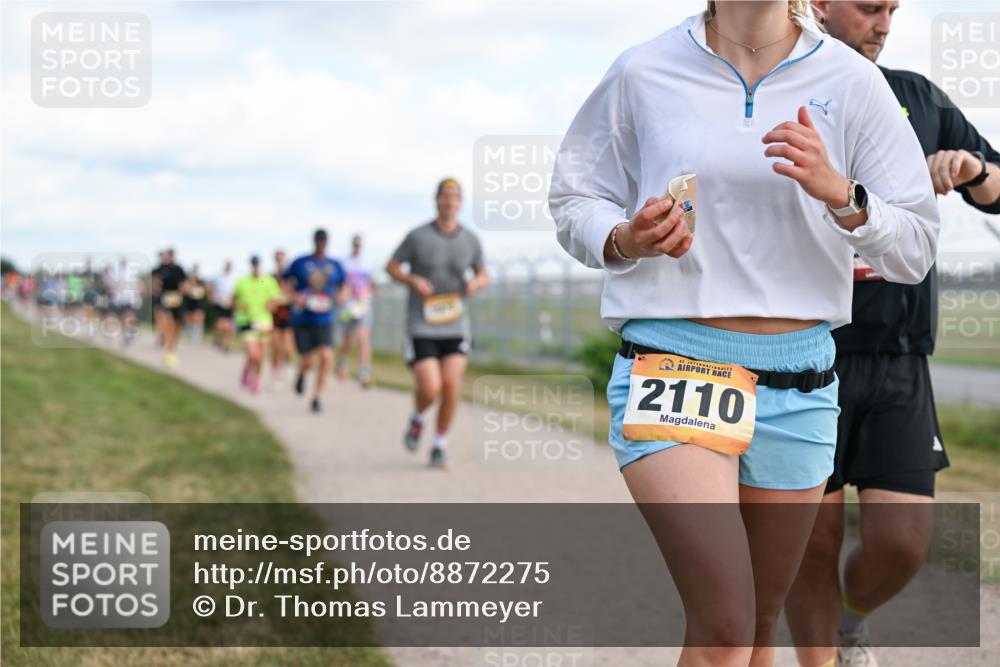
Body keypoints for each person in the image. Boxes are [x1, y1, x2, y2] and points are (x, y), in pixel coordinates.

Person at [548, 1, 938, 664]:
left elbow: (916, 245)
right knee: (725, 624)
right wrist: (624, 237)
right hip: (676, 364)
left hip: (802, 378)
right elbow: (573, 198)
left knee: (758, 627)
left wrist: (844, 195)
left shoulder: (851, 81)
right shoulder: (643, 70)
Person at [784, 3, 1000, 666]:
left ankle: (851, 624)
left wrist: (973, 172)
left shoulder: (918, 97)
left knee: (903, 542)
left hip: (900, 357)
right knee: (812, 542)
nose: (885, 22)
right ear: (820, 5)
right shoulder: (782, 93)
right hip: (803, 351)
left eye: (892, 9)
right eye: (870, 7)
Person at [387, 178, 488, 469]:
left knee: (452, 385)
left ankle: (439, 444)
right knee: (430, 388)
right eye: (445, 195)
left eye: (455, 196)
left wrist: (475, 283)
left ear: (461, 202)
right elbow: (391, 266)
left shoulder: (470, 239)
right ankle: (418, 419)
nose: (450, 201)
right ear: (437, 200)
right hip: (422, 323)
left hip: (455, 323)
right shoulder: (418, 236)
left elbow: (483, 273)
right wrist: (411, 279)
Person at [284, 229, 348, 413]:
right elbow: (285, 282)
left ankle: (317, 398)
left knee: (327, 357)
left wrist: (341, 296)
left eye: (324, 242)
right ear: (314, 242)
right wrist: (294, 296)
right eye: (319, 241)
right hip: (303, 319)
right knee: (307, 362)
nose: (321, 244)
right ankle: (302, 375)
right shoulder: (300, 262)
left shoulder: (335, 265)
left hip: (324, 319)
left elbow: (344, 285)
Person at [232, 255, 281, 395]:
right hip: (247, 322)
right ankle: (249, 370)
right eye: (253, 264)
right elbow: (233, 300)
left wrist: (270, 305)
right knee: (253, 354)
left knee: (261, 356)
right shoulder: (242, 281)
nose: (256, 266)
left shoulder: (269, 281)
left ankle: (256, 379)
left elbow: (276, 300)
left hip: (264, 322)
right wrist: (240, 307)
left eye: (257, 264)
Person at [336, 233, 377, 389]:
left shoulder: (367, 263)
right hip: (347, 306)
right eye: (355, 244)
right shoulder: (344, 263)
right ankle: (342, 364)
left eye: (359, 244)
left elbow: (370, 282)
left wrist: (374, 289)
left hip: (363, 304)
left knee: (362, 338)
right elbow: (340, 284)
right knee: (347, 340)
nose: (357, 247)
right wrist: (341, 294)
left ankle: (364, 373)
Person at [152, 249, 187, 367]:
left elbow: (184, 283)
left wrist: (184, 289)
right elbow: (154, 282)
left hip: (177, 300)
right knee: (168, 326)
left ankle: (172, 349)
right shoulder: (160, 269)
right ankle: (168, 353)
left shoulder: (179, 269)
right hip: (164, 300)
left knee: (176, 328)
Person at [270, 250, 295, 389]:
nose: (280, 261)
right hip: (275, 315)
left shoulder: (290, 277)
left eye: (282, 258)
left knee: (288, 347)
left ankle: (288, 363)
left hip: (288, 314)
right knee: (276, 346)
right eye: (278, 258)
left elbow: (294, 294)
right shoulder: (271, 276)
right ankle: (276, 373)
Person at [211, 260, 237, 352]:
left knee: (228, 325)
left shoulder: (235, 278)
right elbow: (213, 289)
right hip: (219, 303)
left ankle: (226, 344)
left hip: (230, 303)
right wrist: (214, 298)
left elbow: (236, 292)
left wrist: (233, 302)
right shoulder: (219, 277)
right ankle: (219, 339)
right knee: (220, 324)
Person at [183, 263, 209, 346]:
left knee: (199, 319)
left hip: (199, 304)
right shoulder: (187, 281)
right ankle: (189, 334)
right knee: (190, 320)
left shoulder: (201, 282)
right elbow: (185, 290)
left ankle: (197, 338)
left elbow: (206, 291)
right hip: (190, 303)